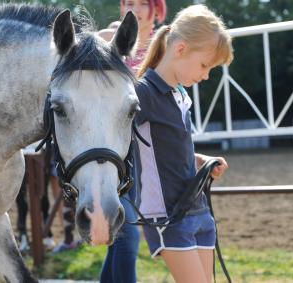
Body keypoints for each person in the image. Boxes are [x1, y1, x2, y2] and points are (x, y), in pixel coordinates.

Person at [134, 4, 233, 283]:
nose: (205, 75)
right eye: (205, 65)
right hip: (167, 214)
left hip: (198, 208)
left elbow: (170, 149)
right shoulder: (143, 93)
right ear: (180, 49)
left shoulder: (180, 97)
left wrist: (199, 160)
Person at [98, 1, 167, 282]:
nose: (134, 8)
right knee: (126, 232)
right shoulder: (111, 37)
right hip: (114, 155)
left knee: (120, 238)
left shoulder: (165, 44)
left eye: (142, 3)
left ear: (156, 9)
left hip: (149, 157)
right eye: (129, 2)